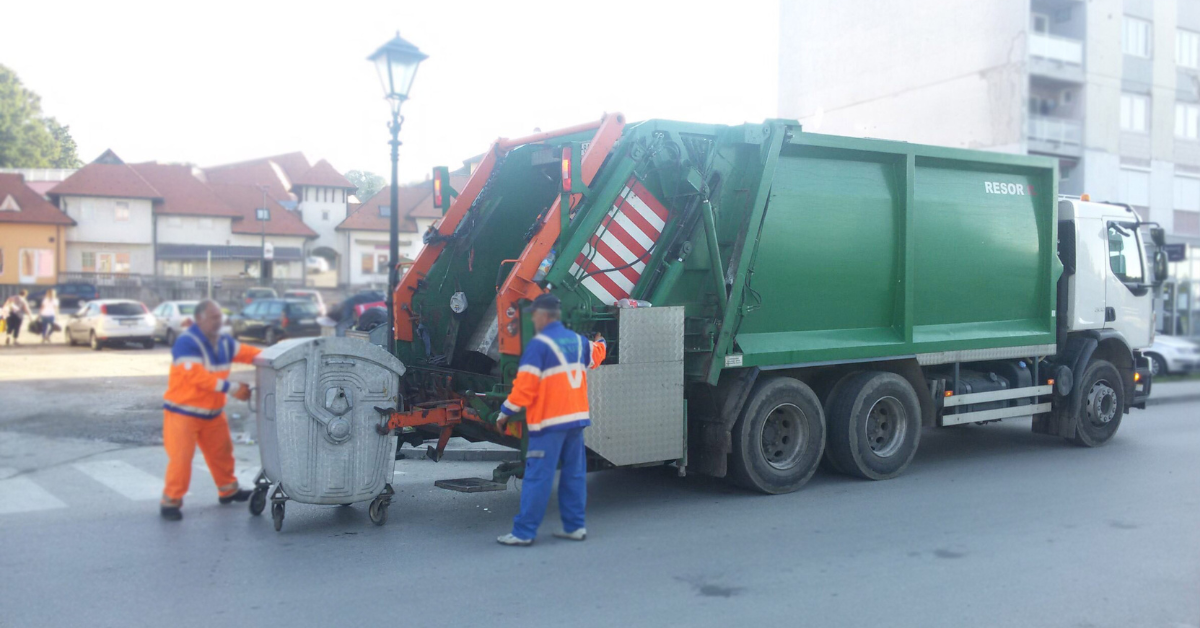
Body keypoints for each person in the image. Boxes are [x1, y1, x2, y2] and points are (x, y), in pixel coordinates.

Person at [495, 293, 605, 546]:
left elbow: (524, 388)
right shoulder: (579, 342)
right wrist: (602, 341)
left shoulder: (539, 346)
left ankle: (523, 533)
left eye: (534, 315)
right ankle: (575, 527)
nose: (533, 319)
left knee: (538, 477)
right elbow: (598, 355)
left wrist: (504, 413)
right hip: (576, 421)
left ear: (544, 316)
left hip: (549, 423)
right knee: (574, 474)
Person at [160, 299, 261, 521]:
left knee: (222, 454)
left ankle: (228, 490)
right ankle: (171, 502)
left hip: (212, 413)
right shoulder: (186, 342)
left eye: (220, 317)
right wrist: (232, 388)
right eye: (214, 317)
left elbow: (249, 353)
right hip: (183, 413)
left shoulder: (224, 342)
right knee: (181, 460)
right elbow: (196, 377)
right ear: (200, 319)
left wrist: (276, 355)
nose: (219, 321)